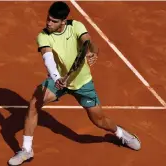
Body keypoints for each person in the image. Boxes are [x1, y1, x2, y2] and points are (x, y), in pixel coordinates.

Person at [8, 1, 141, 165]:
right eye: (48, 19)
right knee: (34, 104)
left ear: (63, 21)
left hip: (82, 83)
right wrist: (57, 78)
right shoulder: (43, 36)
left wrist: (92, 50)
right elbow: (48, 59)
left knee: (99, 120)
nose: (48, 23)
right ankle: (26, 150)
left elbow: (87, 42)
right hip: (59, 81)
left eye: (53, 21)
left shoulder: (76, 26)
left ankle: (121, 134)